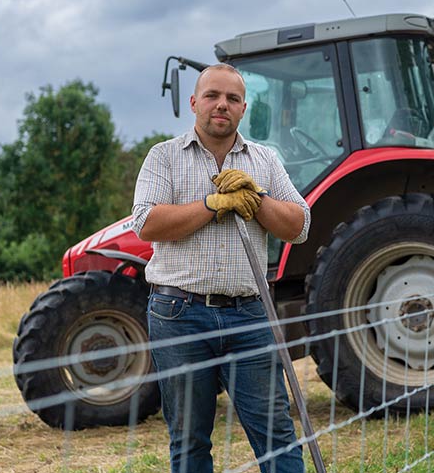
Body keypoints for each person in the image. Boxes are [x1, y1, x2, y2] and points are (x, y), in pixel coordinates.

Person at [132, 63, 310, 473]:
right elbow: (146, 223)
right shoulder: (163, 157)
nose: (221, 105)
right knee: (190, 441)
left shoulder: (264, 159)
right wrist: (213, 206)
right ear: (194, 103)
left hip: (249, 316)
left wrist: (256, 198)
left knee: (276, 435)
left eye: (231, 98)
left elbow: (300, 225)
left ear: (243, 109)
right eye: (212, 96)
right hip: (178, 316)